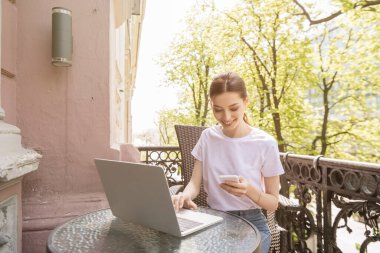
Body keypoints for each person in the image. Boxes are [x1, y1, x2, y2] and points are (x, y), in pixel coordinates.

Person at [171, 72, 284, 253]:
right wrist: (185, 196)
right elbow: (194, 183)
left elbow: (273, 203)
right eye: (218, 109)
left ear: (246, 101)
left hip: (252, 223)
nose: (226, 117)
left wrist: (250, 191)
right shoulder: (207, 137)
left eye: (233, 108)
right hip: (214, 219)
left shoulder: (265, 143)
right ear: (211, 106)